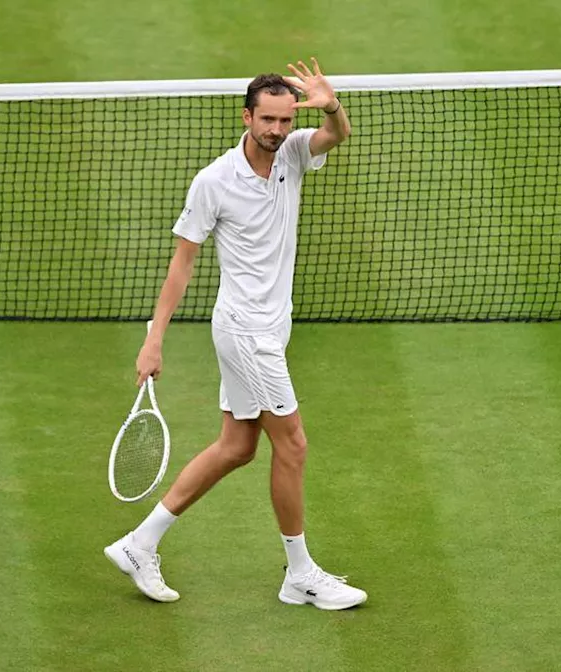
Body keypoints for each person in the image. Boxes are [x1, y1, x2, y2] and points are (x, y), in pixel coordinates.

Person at [103, 57, 366, 610]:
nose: (276, 130)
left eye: (285, 120)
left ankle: (138, 543)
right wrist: (154, 338)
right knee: (291, 444)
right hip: (246, 333)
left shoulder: (293, 153)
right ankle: (300, 573)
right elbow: (183, 264)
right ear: (246, 116)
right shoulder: (214, 181)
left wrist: (330, 102)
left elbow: (336, 134)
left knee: (237, 447)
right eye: (267, 119)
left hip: (273, 326)